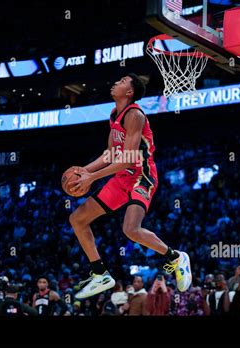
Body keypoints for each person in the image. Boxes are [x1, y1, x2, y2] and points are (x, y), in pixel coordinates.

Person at [68, 74, 192, 299]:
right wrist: (85, 171)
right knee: (77, 218)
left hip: (141, 174)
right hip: (122, 177)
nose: (116, 82)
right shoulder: (114, 114)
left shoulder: (134, 114)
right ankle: (100, 274)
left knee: (131, 229)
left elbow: (127, 159)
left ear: (130, 92)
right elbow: (111, 153)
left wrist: (92, 177)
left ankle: (175, 257)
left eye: (123, 80)